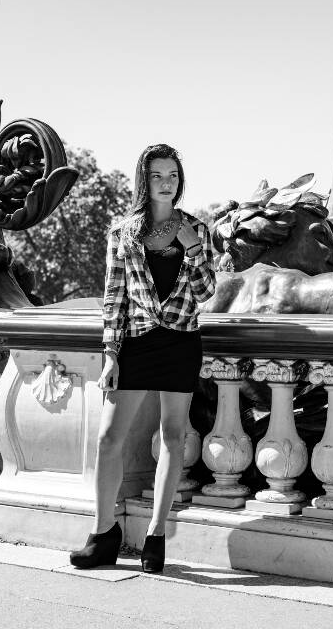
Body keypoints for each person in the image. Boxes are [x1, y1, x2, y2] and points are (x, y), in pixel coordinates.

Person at [69, 143, 216, 573]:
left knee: (173, 437)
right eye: (158, 176)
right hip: (133, 344)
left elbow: (207, 292)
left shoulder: (197, 230)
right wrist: (110, 354)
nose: (166, 183)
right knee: (108, 439)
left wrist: (192, 249)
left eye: (172, 175)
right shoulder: (122, 233)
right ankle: (102, 533)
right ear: (144, 180)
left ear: (180, 180)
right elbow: (113, 300)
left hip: (180, 342)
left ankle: (156, 534)